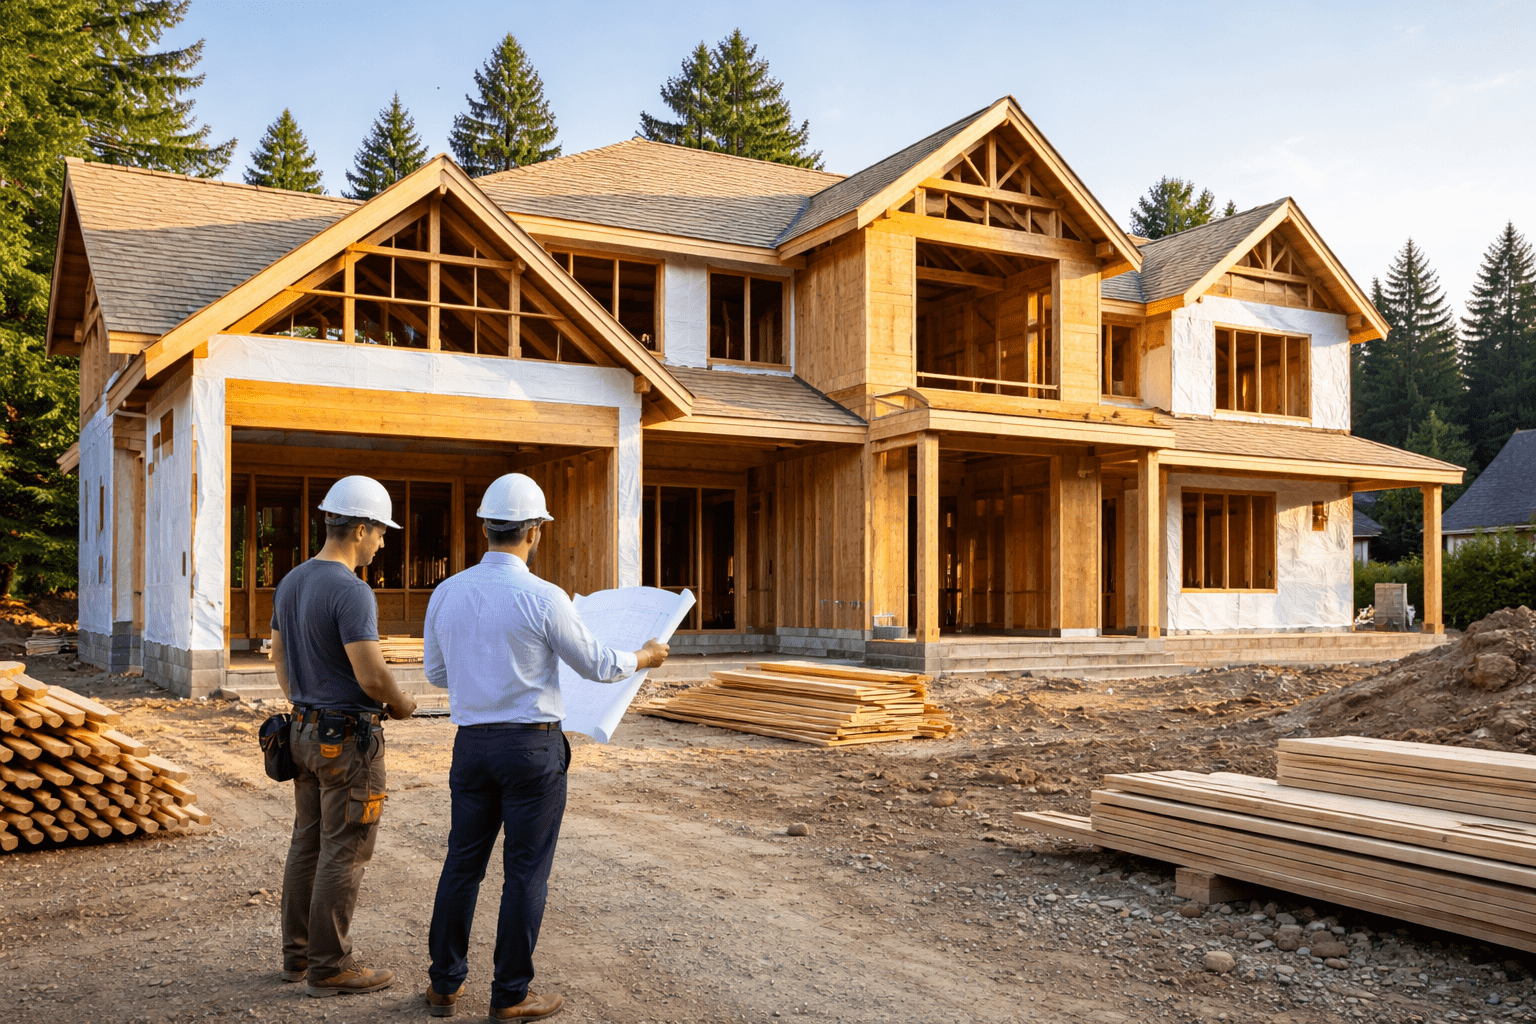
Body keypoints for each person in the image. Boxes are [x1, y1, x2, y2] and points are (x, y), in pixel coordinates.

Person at [422, 473, 669, 1020]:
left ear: (485, 527)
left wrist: (481, 677)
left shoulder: (446, 592)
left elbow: (437, 673)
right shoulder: (544, 597)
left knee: (461, 865)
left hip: (472, 746)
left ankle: (443, 986)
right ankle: (510, 995)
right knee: (525, 873)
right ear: (535, 531)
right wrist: (645, 657)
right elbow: (599, 665)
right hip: (531, 749)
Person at [270, 475, 418, 998]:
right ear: (359, 528)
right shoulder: (352, 591)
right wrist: (401, 704)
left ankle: (298, 957)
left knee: (306, 842)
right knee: (346, 850)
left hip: (303, 732)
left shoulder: (292, 581)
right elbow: (372, 675)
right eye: (380, 532)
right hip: (349, 741)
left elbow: (278, 658)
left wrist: (307, 704)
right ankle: (330, 966)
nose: (382, 543)